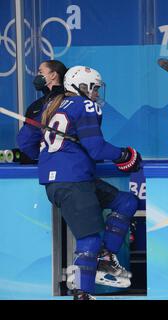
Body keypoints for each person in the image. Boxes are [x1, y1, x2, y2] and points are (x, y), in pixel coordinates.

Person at [17, 65, 142, 300]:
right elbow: (96, 149)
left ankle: (105, 259)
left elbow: (24, 143)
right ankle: (83, 293)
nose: (96, 94)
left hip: (67, 180)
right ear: (82, 86)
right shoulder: (83, 104)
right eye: (94, 88)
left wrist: (52, 158)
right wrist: (124, 155)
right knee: (90, 238)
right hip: (73, 181)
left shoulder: (50, 104)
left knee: (126, 202)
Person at [13, 60, 67, 164]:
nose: (37, 76)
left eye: (40, 72)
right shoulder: (35, 106)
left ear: (53, 75)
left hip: (55, 163)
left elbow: (25, 139)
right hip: (41, 164)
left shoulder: (68, 101)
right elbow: (27, 140)